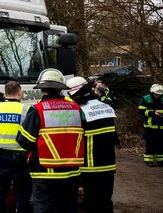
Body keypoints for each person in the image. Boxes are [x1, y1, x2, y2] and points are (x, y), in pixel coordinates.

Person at [16, 68, 85, 213]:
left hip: (45, 174)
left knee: (45, 208)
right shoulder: (76, 109)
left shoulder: (37, 109)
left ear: (43, 90)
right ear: (61, 89)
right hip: (72, 173)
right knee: (68, 208)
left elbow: (24, 141)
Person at [67, 77, 117, 213]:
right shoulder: (106, 107)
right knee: (106, 200)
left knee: (92, 201)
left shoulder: (80, 111)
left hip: (91, 167)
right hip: (108, 164)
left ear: (77, 94)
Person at [0, 80, 32, 213]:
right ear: (20, 93)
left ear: (5, 95)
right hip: (20, 159)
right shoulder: (26, 110)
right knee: (22, 194)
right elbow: (30, 136)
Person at [139, 84, 163, 166]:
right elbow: (141, 111)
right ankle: (149, 161)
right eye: (156, 94)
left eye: (159, 94)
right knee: (150, 143)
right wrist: (152, 113)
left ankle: (162, 161)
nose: (157, 96)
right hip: (150, 126)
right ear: (152, 92)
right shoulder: (145, 99)